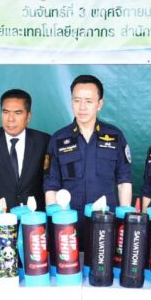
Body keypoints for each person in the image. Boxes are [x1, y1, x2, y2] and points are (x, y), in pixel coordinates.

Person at [44, 75, 132, 211]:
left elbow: (124, 182)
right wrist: (55, 218)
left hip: (106, 218)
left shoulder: (115, 136)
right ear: (71, 102)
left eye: (89, 101)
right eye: (77, 100)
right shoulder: (58, 139)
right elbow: (51, 186)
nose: (82, 107)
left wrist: (123, 217)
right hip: (70, 218)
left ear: (99, 104)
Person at [0, 89, 51, 210]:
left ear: (28, 116)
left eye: (17, 113)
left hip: (34, 216)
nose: (10, 119)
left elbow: (50, 182)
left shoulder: (44, 141)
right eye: (5, 112)